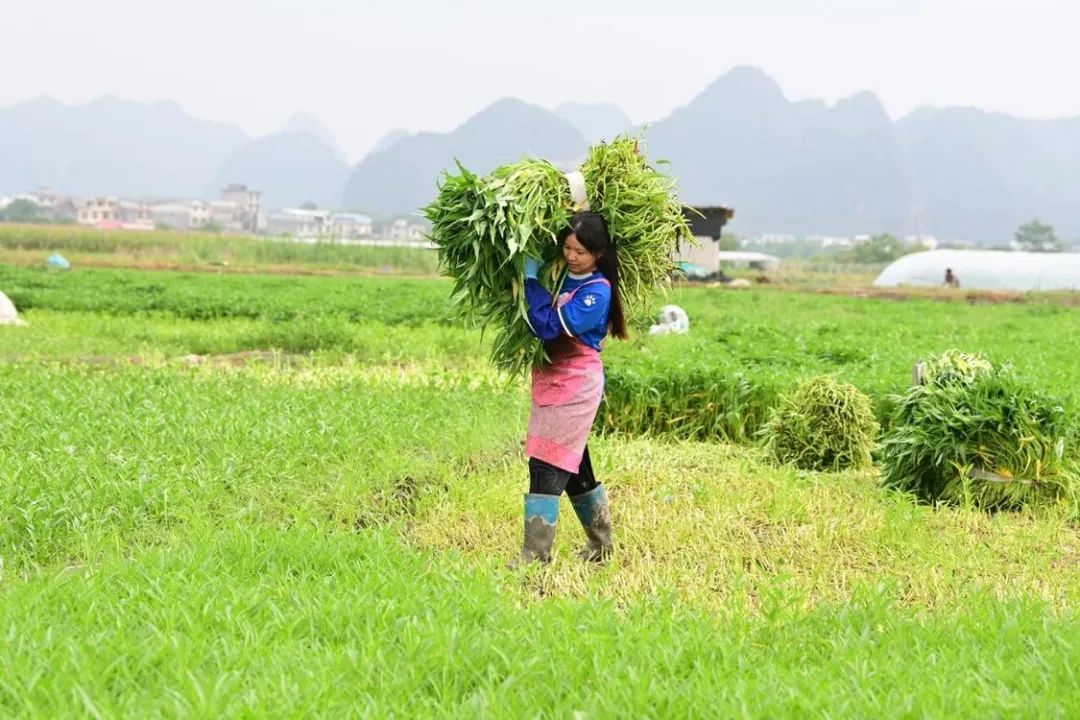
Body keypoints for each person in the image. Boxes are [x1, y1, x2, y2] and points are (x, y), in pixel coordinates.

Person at [510, 211, 627, 566]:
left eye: (580, 251)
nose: (572, 257)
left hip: (575, 385)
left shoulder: (596, 292)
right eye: (567, 248)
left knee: (546, 463)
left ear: (598, 254)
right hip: (552, 379)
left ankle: (535, 554)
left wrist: (531, 283)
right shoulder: (562, 278)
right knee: (575, 465)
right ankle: (601, 546)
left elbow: (547, 326)